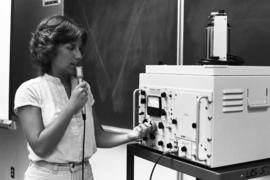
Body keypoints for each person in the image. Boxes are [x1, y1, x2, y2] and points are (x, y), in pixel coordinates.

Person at [14, 15, 154, 180]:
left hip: (84, 174)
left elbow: (98, 137)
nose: (79, 56)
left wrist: (131, 136)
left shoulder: (82, 87)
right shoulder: (30, 90)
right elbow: (41, 147)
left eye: (80, 49)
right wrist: (71, 107)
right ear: (50, 49)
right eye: (71, 48)